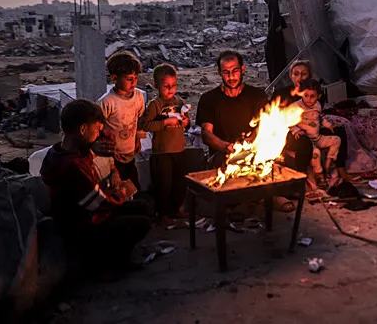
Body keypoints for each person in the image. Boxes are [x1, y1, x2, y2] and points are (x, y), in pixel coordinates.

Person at [40, 99, 151, 278]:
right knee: (142, 222)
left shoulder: (57, 151)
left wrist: (93, 149)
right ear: (83, 129)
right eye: (97, 129)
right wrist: (121, 193)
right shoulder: (72, 166)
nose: (99, 134)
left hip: (83, 213)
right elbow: (100, 204)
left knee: (142, 207)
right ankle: (104, 265)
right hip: (80, 225)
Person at [197, 50, 269, 169]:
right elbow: (206, 134)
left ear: (242, 69)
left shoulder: (257, 96)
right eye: (226, 72)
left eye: (235, 70)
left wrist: (248, 143)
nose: (231, 76)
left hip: (254, 155)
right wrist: (226, 147)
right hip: (221, 158)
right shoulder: (208, 99)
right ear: (219, 72)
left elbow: (264, 126)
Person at [141, 63, 191, 224]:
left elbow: (187, 121)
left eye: (174, 85)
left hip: (179, 149)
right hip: (162, 152)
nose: (171, 89)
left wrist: (186, 122)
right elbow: (146, 125)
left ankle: (175, 210)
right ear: (156, 86)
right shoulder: (154, 105)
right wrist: (165, 123)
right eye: (166, 86)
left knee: (179, 182)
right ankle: (162, 214)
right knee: (163, 185)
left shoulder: (179, 101)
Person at [98, 51, 146, 190]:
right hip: (112, 157)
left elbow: (140, 118)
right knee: (116, 189)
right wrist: (109, 157)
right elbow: (98, 130)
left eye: (135, 78)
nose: (133, 82)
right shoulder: (107, 102)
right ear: (115, 78)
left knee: (134, 187)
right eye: (129, 78)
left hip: (130, 153)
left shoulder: (138, 97)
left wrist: (138, 138)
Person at [290, 79, 341, 189]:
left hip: (317, 138)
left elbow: (320, 118)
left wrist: (329, 126)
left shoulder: (317, 105)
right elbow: (288, 121)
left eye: (312, 96)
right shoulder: (296, 106)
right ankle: (319, 174)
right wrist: (295, 130)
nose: (309, 99)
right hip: (307, 141)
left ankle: (328, 163)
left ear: (318, 96)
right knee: (316, 152)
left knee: (336, 139)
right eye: (306, 95)